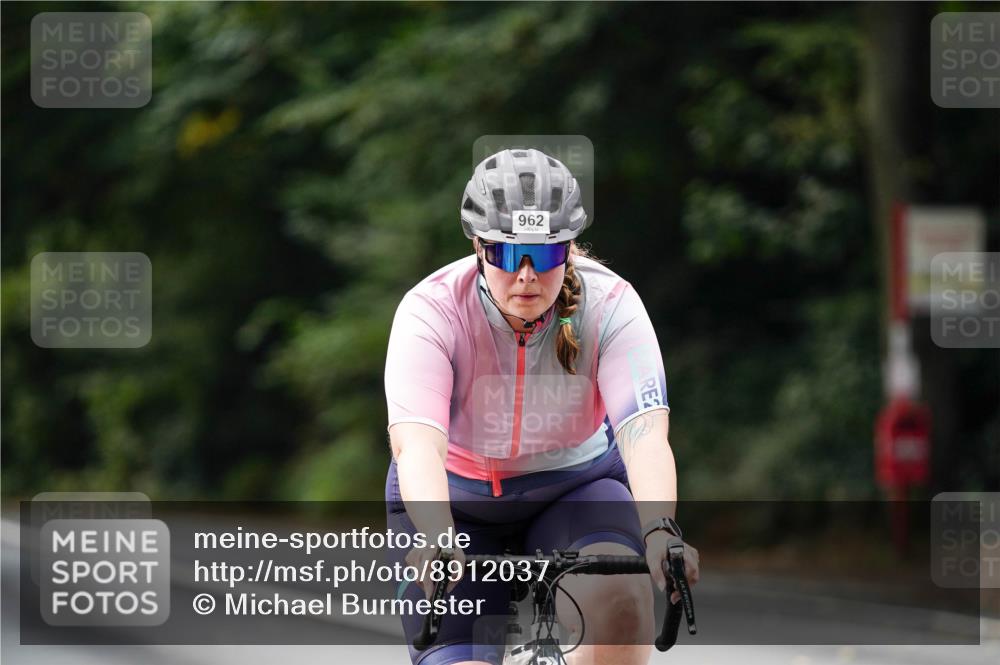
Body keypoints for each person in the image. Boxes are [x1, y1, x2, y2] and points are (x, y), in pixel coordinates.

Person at [384, 148, 699, 665]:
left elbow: (644, 435)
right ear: (477, 246)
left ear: (570, 249)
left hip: (574, 487)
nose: (526, 275)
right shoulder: (432, 310)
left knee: (622, 609)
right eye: (507, 255)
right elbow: (417, 444)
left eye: (546, 255)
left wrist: (660, 531)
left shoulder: (612, 304)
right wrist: (437, 534)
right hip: (455, 502)